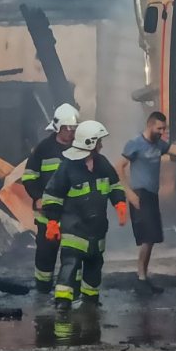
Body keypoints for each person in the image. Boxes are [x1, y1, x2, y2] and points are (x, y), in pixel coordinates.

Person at [117, 112, 176, 293]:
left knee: (152, 239)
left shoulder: (160, 144)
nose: (162, 132)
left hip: (152, 195)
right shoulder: (135, 144)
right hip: (140, 194)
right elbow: (118, 166)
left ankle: (143, 278)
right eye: (159, 128)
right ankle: (140, 279)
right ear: (150, 125)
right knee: (147, 238)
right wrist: (129, 193)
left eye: (164, 129)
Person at [42, 120, 127, 312]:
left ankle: (90, 299)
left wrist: (119, 203)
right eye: (99, 141)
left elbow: (114, 185)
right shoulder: (68, 167)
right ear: (90, 143)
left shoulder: (102, 163)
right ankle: (63, 301)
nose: (101, 145)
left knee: (94, 265)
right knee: (70, 264)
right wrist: (52, 222)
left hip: (97, 229)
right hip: (74, 228)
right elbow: (53, 194)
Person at [20, 103, 80, 293]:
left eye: (74, 129)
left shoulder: (80, 148)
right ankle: (43, 289)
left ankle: (70, 290)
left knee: (73, 254)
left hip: (73, 214)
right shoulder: (43, 149)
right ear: (58, 127)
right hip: (47, 214)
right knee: (46, 254)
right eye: (68, 128)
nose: (72, 132)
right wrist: (37, 197)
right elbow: (29, 177)